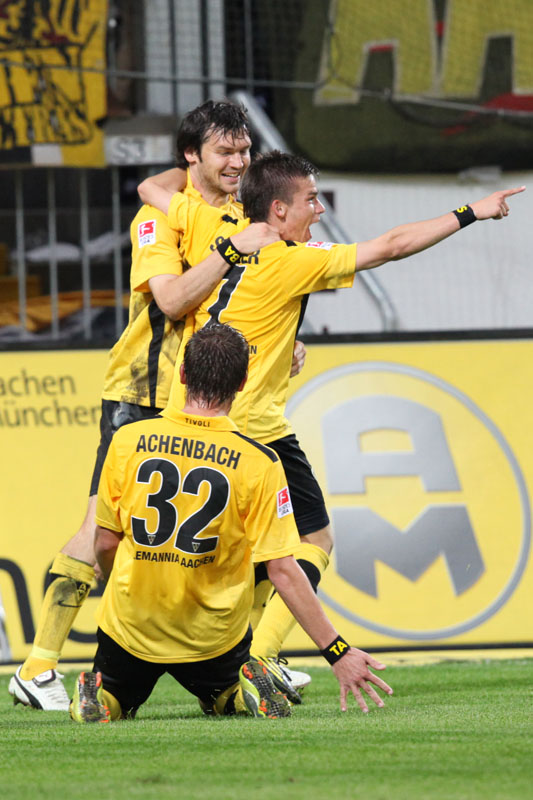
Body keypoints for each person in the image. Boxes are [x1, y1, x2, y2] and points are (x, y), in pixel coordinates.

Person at [137, 150, 525, 676]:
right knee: (313, 539)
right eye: (311, 200)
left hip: (189, 417)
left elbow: (153, 190)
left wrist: (284, 344)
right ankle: (258, 659)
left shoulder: (216, 226)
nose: (319, 210)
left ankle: (234, 657)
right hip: (252, 428)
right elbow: (390, 246)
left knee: (243, 556)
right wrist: (471, 212)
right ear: (278, 209)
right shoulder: (291, 260)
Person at [9, 100, 306, 711]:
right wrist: (227, 247)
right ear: (193, 155)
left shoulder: (234, 214)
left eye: (244, 150)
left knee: (240, 530)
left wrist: (283, 339)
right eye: (225, 151)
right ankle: (37, 667)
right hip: (142, 391)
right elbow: (170, 299)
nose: (239, 161)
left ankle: (251, 660)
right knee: (99, 527)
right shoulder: (159, 217)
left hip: (199, 396)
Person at [69, 323, 393, 723]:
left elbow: (105, 541)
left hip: (132, 626)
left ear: (182, 375)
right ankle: (240, 693)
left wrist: (117, 580)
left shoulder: (128, 441)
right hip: (212, 636)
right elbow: (283, 569)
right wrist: (337, 651)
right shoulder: (260, 462)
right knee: (224, 698)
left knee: (118, 699)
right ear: (242, 383)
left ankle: (101, 697)